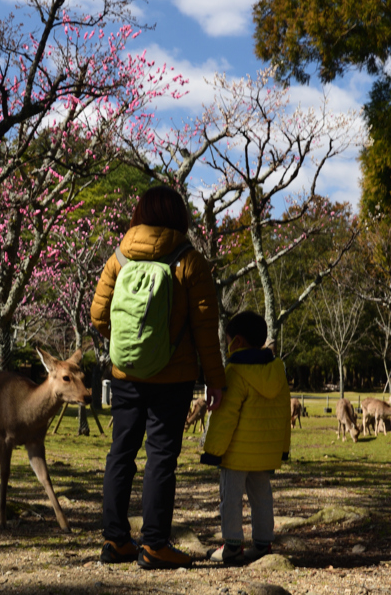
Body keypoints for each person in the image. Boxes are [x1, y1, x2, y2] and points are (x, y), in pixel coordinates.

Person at [90, 185, 226, 570]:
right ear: (178, 217)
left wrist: (131, 344)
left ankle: (115, 541)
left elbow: (99, 318)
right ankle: (153, 545)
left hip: (125, 373)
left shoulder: (118, 257)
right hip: (174, 377)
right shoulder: (190, 262)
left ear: (139, 214)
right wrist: (213, 380)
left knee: (121, 451)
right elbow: (205, 330)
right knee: (161, 457)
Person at [200, 311, 291, 565]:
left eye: (227, 340)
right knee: (262, 497)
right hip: (265, 454)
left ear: (237, 341)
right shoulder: (277, 370)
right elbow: (284, 412)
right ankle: (262, 543)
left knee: (230, 499)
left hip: (236, 455)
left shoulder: (235, 371)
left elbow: (225, 417)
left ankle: (231, 546)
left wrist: (213, 451)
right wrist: (282, 449)